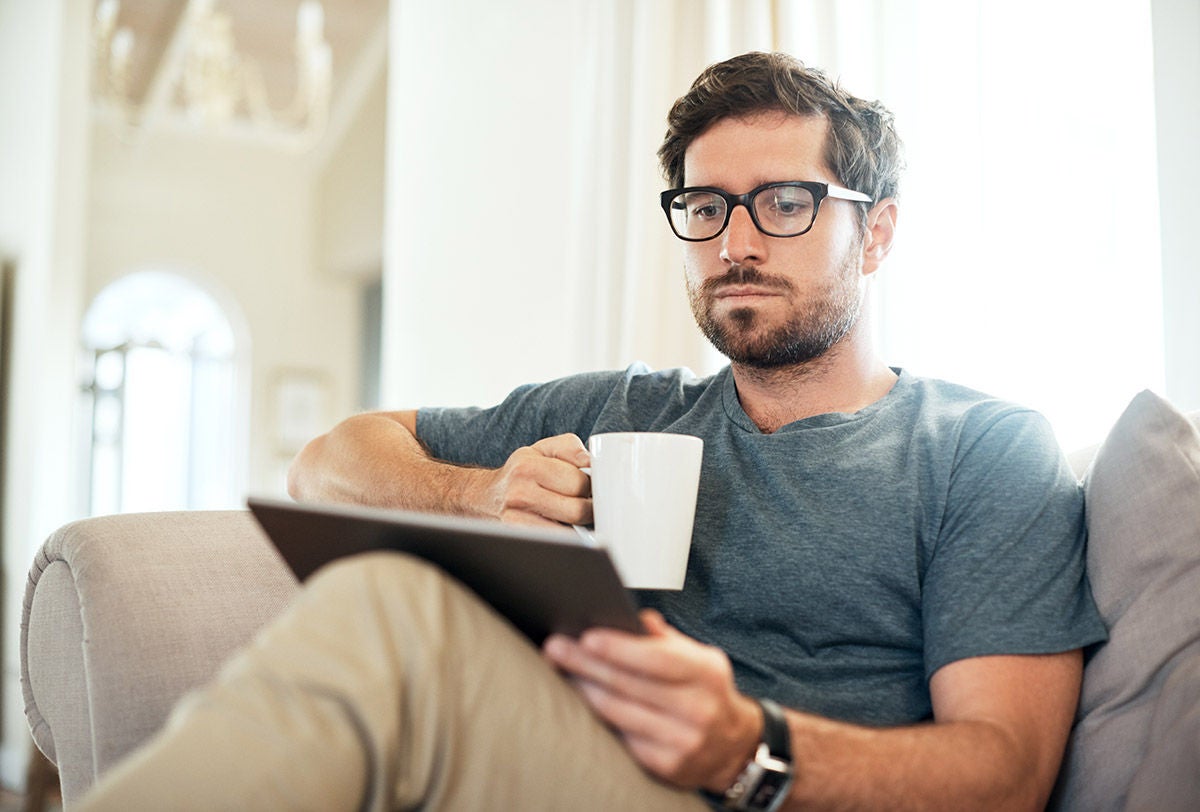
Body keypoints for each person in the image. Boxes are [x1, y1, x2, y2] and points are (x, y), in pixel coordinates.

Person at [77, 51, 1105, 811]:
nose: (736, 241)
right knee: (387, 594)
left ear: (875, 230)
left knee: (394, 608)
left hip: (770, 792)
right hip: (577, 767)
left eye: (785, 202)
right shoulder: (623, 410)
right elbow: (327, 460)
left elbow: (1007, 770)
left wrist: (752, 746)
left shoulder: (983, 445)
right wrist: (478, 493)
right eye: (705, 207)